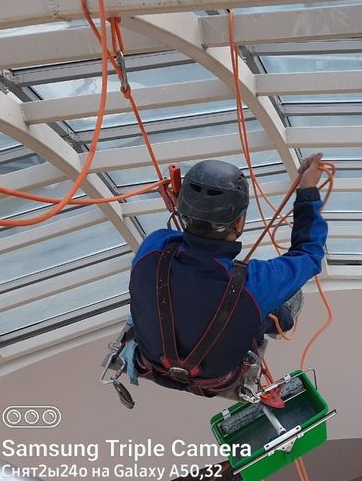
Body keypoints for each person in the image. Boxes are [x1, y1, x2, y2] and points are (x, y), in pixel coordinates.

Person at [123, 153, 328, 399]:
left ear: (181, 209)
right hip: (217, 379)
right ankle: (280, 322)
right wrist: (307, 191)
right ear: (239, 222)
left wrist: (189, 209)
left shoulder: (152, 248)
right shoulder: (255, 284)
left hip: (152, 361)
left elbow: (180, 246)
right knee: (287, 300)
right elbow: (308, 254)